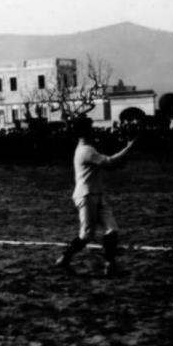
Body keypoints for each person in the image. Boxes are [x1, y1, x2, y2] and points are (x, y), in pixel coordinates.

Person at [56, 117, 137, 276]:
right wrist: (129, 148)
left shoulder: (87, 148)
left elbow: (110, 164)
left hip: (96, 194)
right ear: (84, 131)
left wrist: (127, 151)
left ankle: (109, 263)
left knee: (112, 230)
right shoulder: (86, 151)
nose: (93, 130)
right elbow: (109, 162)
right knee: (86, 235)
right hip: (86, 196)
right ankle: (65, 257)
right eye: (90, 127)